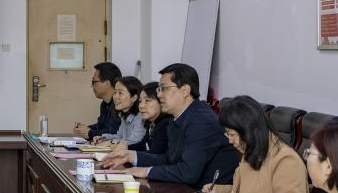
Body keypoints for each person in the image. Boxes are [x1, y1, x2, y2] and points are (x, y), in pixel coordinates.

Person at [100, 63, 239, 186]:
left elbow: (188, 172)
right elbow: (169, 159)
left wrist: (147, 171)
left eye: (164, 88)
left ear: (185, 91)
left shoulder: (201, 120)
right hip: (186, 189)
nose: (159, 94)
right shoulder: (178, 118)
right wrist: (130, 156)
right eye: (159, 89)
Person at [206, 95, 309, 193]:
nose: (230, 140)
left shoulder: (286, 160)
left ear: (248, 130)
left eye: (232, 134)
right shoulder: (252, 150)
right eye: (227, 134)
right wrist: (217, 191)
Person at [73, 62, 122, 139]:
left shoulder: (119, 104)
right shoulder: (104, 104)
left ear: (106, 83)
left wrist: (89, 132)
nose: (91, 86)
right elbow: (101, 125)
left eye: (94, 82)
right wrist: (85, 128)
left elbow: (113, 132)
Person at [96, 76, 146, 145]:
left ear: (134, 98)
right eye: (115, 92)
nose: (115, 97)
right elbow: (119, 137)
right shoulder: (124, 116)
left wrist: (111, 142)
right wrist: (103, 137)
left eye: (120, 93)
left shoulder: (140, 118)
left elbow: (134, 141)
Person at [128, 82, 171, 157]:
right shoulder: (152, 123)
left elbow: (154, 155)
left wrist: (128, 155)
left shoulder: (166, 124)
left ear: (161, 101)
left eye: (147, 100)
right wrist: (126, 148)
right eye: (140, 101)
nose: (141, 106)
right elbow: (144, 145)